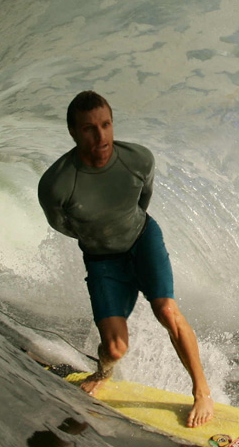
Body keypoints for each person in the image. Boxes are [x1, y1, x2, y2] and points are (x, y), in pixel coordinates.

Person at [37, 91, 214, 428]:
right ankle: (103, 373)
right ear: (73, 133)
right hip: (103, 261)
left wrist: (124, 233)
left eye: (106, 125)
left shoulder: (138, 160)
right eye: (89, 129)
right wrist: (100, 239)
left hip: (142, 240)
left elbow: (142, 201)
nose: (101, 137)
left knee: (167, 310)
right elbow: (61, 224)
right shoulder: (57, 184)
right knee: (115, 347)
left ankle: (202, 391)